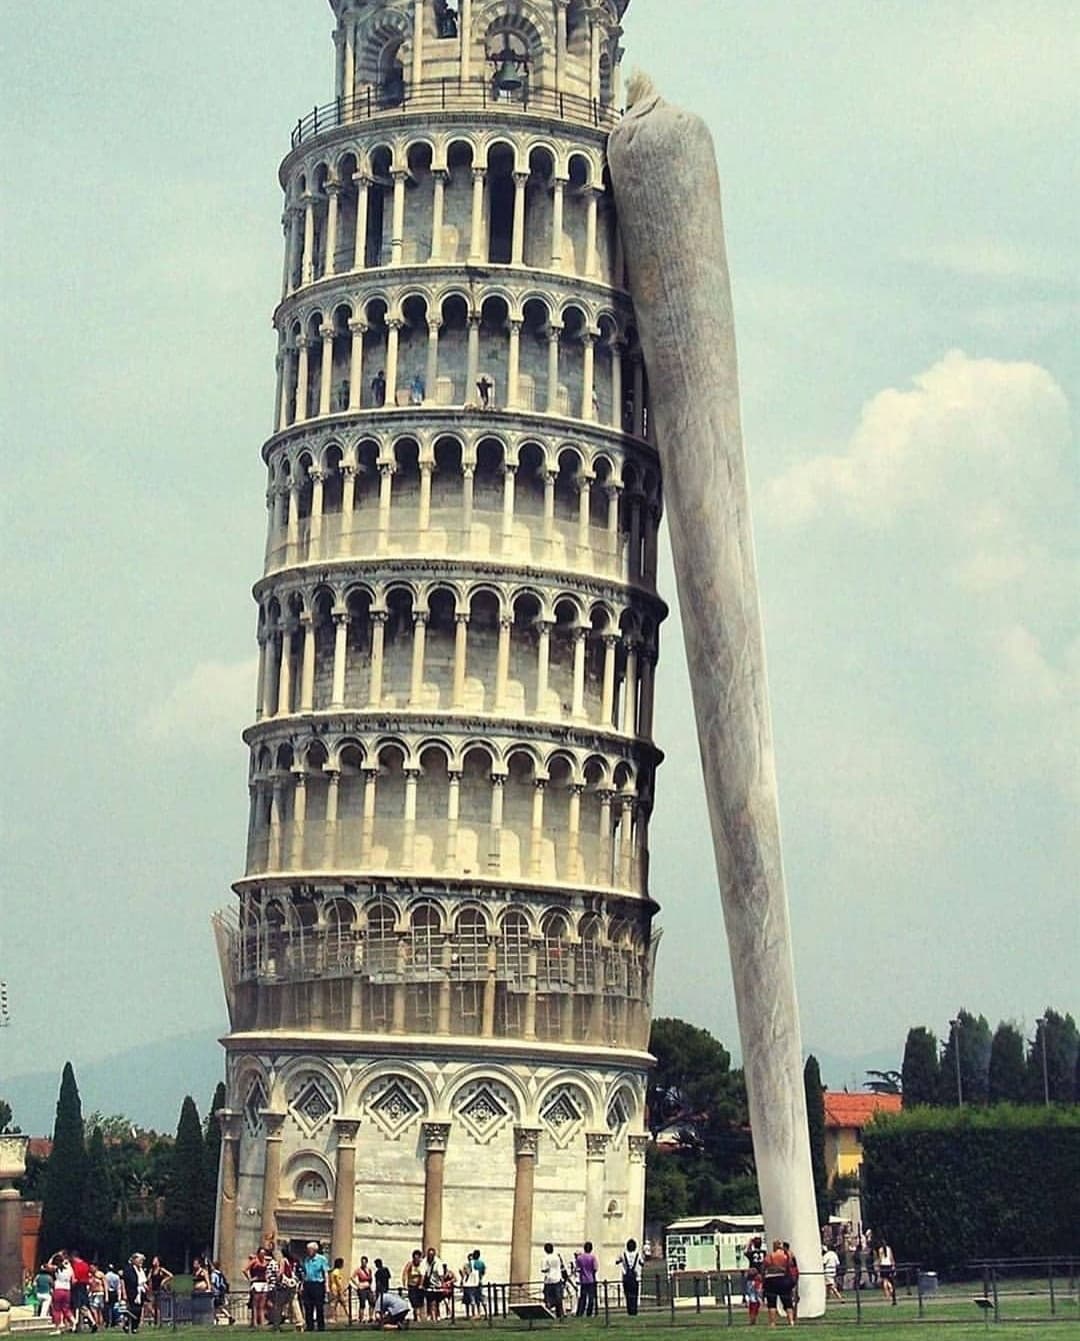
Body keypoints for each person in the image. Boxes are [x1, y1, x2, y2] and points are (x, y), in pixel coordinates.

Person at [761, 1239, 795, 1328]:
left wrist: (763, 1277)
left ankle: (772, 1323)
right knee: (787, 1301)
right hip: (783, 1279)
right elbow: (791, 1265)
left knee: (772, 1302)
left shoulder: (770, 1256)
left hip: (771, 1279)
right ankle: (791, 1321)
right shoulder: (786, 1255)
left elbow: (764, 1267)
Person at [300, 1242, 330, 1332]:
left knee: (319, 1306)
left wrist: (327, 1286)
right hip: (308, 1284)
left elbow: (325, 1273)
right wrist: (302, 1285)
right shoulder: (306, 1260)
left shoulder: (322, 1259)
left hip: (318, 1284)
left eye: (310, 1249)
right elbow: (304, 1274)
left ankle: (321, 1326)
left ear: (315, 1250)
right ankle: (309, 1326)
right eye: (307, 1249)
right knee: (308, 1306)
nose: (308, 1251)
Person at [245, 1246, 271, 1328]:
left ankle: (262, 1321)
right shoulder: (254, 1261)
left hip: (264, 1282)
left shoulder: (265, 1261)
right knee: (255, 1304)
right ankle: (254, 1322)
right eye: (261, 1253)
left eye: (264, 1253)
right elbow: (244, 1269)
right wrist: (250, 1279)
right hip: (256, 1283)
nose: (262, 1255)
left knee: (262, 1304)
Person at [121, 1254, 148, 1334]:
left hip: (141, 1291)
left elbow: (142, 1280)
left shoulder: (141, 1270)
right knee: (134, 1309)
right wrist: (124, 1292)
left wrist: (145, 1286)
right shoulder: (128, 1269)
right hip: (132, 1292)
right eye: (140, 1260)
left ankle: (134, 1327)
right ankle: (127, 1323)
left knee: (139, 1310)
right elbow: (124, 1280)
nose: (141, 1262)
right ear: (134, 1260)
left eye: (142, 1260)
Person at [616, 1239, 642, 1317]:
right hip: (635, 1277)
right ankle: (634, 1310)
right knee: (635, 1294)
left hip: (626, 1277)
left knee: (628, 1294)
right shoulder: (638, 1254)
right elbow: (642, 1263)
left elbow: (617, 1261)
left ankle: (629, 1310)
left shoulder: (623, 1254)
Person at [539, 1244, 565, 1320]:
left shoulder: (545, 1258)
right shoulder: (557, 1257)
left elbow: (543, 1269)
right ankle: (560, 1314)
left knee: (548, 1298)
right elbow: (561, 1267)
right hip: (558, 1279)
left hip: (549, 1280)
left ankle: (548, 1313)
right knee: (558, 1298)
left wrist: (548, 1269)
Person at [146, 1256, 172, 1326]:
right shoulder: (151, 1270)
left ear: (158, 1262)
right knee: (150, 1306)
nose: (153, 1261)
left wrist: (164, 1281)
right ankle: (156, 1319)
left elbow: (170, 1275)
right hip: (153, 1290)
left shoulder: (161, 1269)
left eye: (155, 1260)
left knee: (157, 1306)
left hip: (159, 1290)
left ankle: (158, 1322)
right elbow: (148, 1279)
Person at [574, 1242, 598, 1318]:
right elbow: (595, 1268)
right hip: (591, 1280)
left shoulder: (579, 1258)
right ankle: (589, 1313)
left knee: (583, 1297)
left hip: (583, 1280)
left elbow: (577, 1268)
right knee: (591, 1298)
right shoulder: (593, 1257)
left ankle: (580, 1312)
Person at [420, 1248, 445, 1322]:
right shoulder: (424, 1262)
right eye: (429, 1255)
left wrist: (443, 1284)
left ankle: (436, 1315)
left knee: (436, 1302)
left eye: (432, 1255)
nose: (430, 1256)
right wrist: (421, 1284)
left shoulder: (438, 1262)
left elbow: (441, 1275)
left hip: (437, 1284)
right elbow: (423, 1274)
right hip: (428, 1285)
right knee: (431, 1301)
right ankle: (432, 1317)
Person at [459, 1251, 485, 1320]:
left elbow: (466, 1273)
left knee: (471, 1299)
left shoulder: (469, 1264)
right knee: (479, 1299)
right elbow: (483, 1272)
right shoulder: (481, 1263)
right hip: (478, 1282)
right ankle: (481, 1313)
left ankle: (473, 1314)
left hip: (470, 1284)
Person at [401, 1252, 424, 1321]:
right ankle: (417, 1316)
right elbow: (404, 1273)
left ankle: (417, 1316)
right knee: (414, 1302)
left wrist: (421, 1284)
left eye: (418, 1258)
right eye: (415, 1258)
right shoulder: (410, 1264)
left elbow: (423, 1276)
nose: (416, 1260)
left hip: (419, 1286)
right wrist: (404, 1284)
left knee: (419, 1303)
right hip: (411, 1286)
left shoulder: (422, 1265)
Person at [352, 1256, 375, 1324]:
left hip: (368, 1288)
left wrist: (371, 1286)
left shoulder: (369, 1270)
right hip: (362, 1289)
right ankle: (361, 1318)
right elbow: (352, 1277)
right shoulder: (358, 1270)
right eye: (362, 1262)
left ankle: (370, 1317)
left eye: (364, 1262)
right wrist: (357, 1284)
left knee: (372, 1302)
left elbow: (371, 1279)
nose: (363, 1263)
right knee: (362, 1304)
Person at [876, 1240, 896, 1305]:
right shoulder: (889, 1249)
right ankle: (891, 1289)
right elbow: (891, 1257)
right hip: (889, 1265)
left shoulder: (880, 1250)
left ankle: (887, 1293)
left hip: (883, 1265)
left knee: (885, 1280)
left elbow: (879, 1259)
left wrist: (878, 1266)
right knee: (888, 1279)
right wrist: (893, 1265)